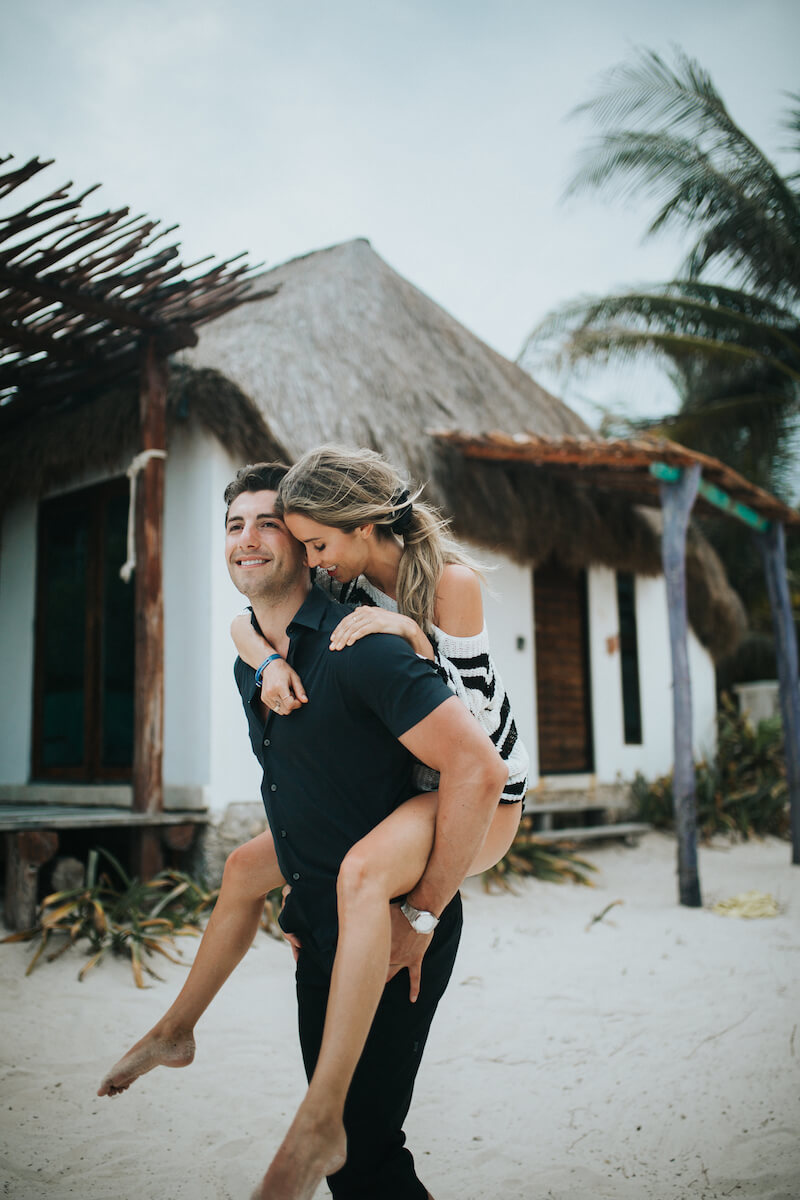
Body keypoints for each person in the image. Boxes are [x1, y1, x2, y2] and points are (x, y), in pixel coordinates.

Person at [98, 453, 525, 1199]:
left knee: (362, 873)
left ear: (351, 530)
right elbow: (247, 616)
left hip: (486, 793)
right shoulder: (337, 587)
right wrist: (263, 660)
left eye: (296, 535)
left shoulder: (435, 593)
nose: (298, 552)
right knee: (242, 871)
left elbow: (479, 749)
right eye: (239, 526)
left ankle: (322, 1117)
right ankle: (177, 1028)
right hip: (422, 780)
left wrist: (420, 916)